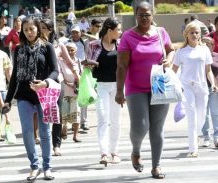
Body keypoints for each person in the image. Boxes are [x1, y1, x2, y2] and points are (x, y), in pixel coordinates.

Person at [115, 1, 175, 179]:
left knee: (157, 128)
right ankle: (136, 151)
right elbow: (121, 66)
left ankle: (156, 166)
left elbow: (171, 50)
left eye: (147, 14)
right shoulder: (128, 36)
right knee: (141, 126)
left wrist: (169, 60)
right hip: (135, 87)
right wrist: (119, 90)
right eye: (140, 14)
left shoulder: (161, 32)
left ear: (152, 15)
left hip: (159, 85)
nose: (144, 17)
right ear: (135, 15)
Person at [4, 17, 58, 181]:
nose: (29, 32)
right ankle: (34, 166)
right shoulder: (18, 49)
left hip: (44, 94)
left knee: (45, 133)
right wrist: (7, 99)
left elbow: (55, 71)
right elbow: (14, 77)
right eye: (25, 30)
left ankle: (47, 167)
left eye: (32, 29)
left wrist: (45, 83)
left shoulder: (47, 47)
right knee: (27, 133)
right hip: (24, 96)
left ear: (38, 29)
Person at [172, 22, 218, 158]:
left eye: (197, 32)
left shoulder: (204, 50)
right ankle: (193, 148)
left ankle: (196, 135)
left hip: (202, 87)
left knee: (202, 117)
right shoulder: (180, 52)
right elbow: (173, 71)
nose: (195, 35)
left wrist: (213, 83)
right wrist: (173, 85)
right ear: (186, 34)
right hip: (187, 87)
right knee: (192, 117)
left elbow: (208, 70)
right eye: (192, 32)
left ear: (200, 34)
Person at [40, 19, 80, 155]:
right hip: (41, 82)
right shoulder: (35, 44)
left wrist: (77, 75)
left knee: (57, 113)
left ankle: (56, 144)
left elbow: (69, 62)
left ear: (51, 30)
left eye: (44, 28)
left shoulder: (59, 45)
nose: (42, 30)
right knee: (42, 113)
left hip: (57, 81)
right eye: (40, 28)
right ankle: (43, 140)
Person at [87, 17, 122, 166]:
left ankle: (114, 151)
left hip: (117, 86)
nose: (120, 32)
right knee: (103, 119)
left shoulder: (121, 45)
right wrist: (89, 65)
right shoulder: (93, 45)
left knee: (115, 120)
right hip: (100, 85)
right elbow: (88, 68)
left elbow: (126, 66)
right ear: (110, 30)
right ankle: (104, 153)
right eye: (118, 29)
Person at [61, 43, 81, 143]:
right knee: (64, 113)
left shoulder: (78, 61)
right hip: (64, 91)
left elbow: (80, 74)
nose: (69, 52)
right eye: (67, 50)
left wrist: (76, 84)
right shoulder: (60, 61)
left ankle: (75, 135)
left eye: (72, 50)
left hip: (76, 92)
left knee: (76, 114)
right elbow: (60, 75)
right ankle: (64, 129)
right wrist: (68, 83)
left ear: (75, 51)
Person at [201, 37, 218, 148]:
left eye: (209, 44)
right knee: (204, 115)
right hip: (201, 89)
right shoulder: (199, 57)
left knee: (215, 113)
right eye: (204, 44)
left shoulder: (217, 56)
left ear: (213, 45)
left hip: (214, 89)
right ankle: (206, 138)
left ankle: (216, 138)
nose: (207, 46)